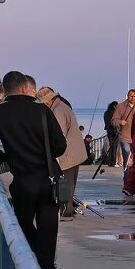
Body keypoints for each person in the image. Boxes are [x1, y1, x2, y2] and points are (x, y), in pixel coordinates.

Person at [0, 71, 69, 269]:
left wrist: (5, 157)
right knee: (49, 230)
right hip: (49, 180)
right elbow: (60, 147)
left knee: (23, 226)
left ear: (4, 91)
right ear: (26, 88)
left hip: (22, 181)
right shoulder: (43, 110)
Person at [37, 86, 86, 221]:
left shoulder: (57, 111)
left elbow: (60, 135)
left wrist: (55, 154)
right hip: (75, 151)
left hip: (68, 153)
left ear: (48, 101)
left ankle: (66, 211)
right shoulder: (62, 105)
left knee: (65, 183)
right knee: (69, 184)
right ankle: (67, 208)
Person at [111, 89, 135, 167]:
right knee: (127, 153)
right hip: (125, 136)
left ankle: (133, 175)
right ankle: (126, 175)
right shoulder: (120, 106)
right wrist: (120, 122)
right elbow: (113, 121)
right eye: (131, 96)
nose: (133, 98)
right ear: (128, 96)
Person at [102, 101, 118, 166]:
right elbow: (114, 122)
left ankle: (109, 162)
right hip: (114, 131)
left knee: (111, 147)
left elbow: (106, 122)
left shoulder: (106, 113)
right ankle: (113, 162)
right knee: (115, 147)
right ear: (114, 106)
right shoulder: (114, 113)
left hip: (108, 131)